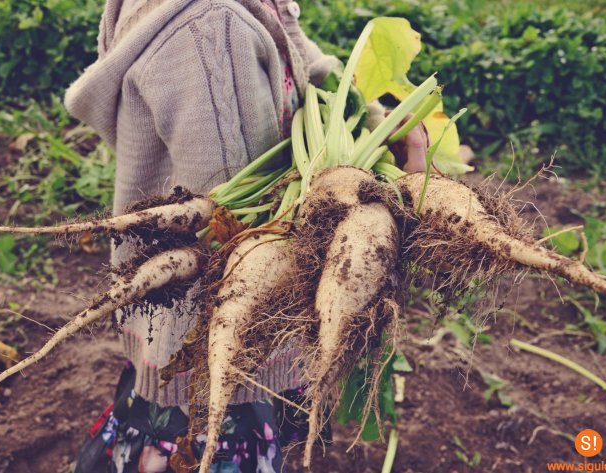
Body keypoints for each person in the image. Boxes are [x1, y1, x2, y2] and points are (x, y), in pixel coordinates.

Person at [65, 0, 426, 471]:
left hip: (173, 323)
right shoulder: (212, 29)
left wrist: (374, 121)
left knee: (167, 414)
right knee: (205, 428)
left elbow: (302, 59)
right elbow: (241, 228)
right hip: (218, 326)